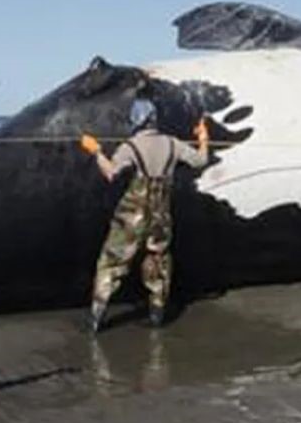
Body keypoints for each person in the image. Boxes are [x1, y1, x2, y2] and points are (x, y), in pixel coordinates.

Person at [78, 96, 209, 333]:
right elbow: (200, 161)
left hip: (132, 215)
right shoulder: (173, 144)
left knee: (111, 262)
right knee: (158, 262)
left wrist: (96, 150)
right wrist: (203, 137)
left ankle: (96, 319)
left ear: (135, 121)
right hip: (161, 214)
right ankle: (157, 317)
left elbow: (111, 173)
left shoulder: (130, 147)